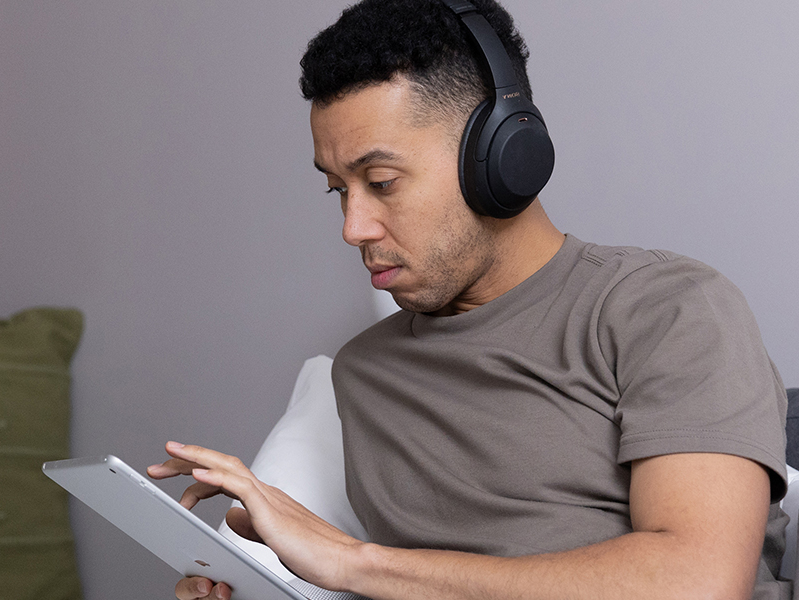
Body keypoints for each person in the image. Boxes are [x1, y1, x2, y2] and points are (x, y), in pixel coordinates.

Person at [146, 0, 792, 598]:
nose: (353, 228)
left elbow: (698, 582)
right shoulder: (365, 374)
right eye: (338, 190)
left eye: (380, 182)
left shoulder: (666, 310)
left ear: (500, 156)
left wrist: (354, 562)